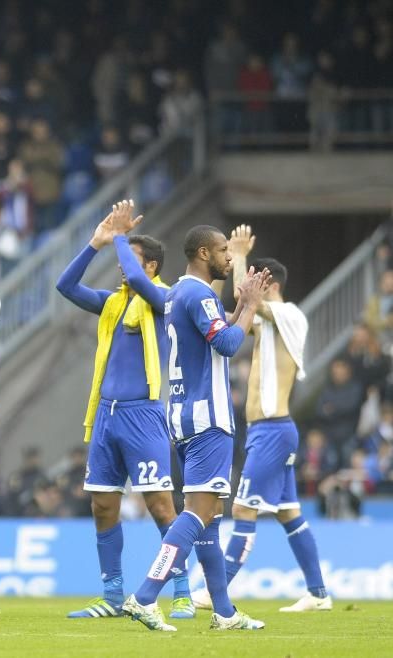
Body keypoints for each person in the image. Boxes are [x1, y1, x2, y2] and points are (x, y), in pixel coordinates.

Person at [123, 225, 270, 632]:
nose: (228, 257)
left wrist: (243, 303)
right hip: (208, 418)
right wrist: (253, 306)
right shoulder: (197, 293)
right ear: (204, 253)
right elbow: (227, 345)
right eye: (224, 251)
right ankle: (145, 595)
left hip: (184, 416)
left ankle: (223, 611)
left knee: (210, 515)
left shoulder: (177, 295)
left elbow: (218, 331)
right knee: (198, 512)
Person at [55, 200, 194, 620]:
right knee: (101, 504)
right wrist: (97, 243)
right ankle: (113, 596)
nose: (122, 267)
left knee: (160, 505)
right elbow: (65, 285)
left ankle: (183, 589)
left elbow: (132, 275)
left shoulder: (163, 298)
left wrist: (118, 236)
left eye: (130, 257)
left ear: (151, 266)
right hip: (106, 414)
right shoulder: (113, 303)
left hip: (144, 413)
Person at [191, 225, 331, 612]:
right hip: (266, 430)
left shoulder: (289, 314)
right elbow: (242, 312)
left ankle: (215, 590)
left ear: (268, 283)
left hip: (272, 428)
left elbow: (249, 300)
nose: (251, 286)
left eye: (257, 280)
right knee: (289, 513)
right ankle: (319, 594)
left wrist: (238, 256)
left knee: (242, 509)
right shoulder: (270, 322)